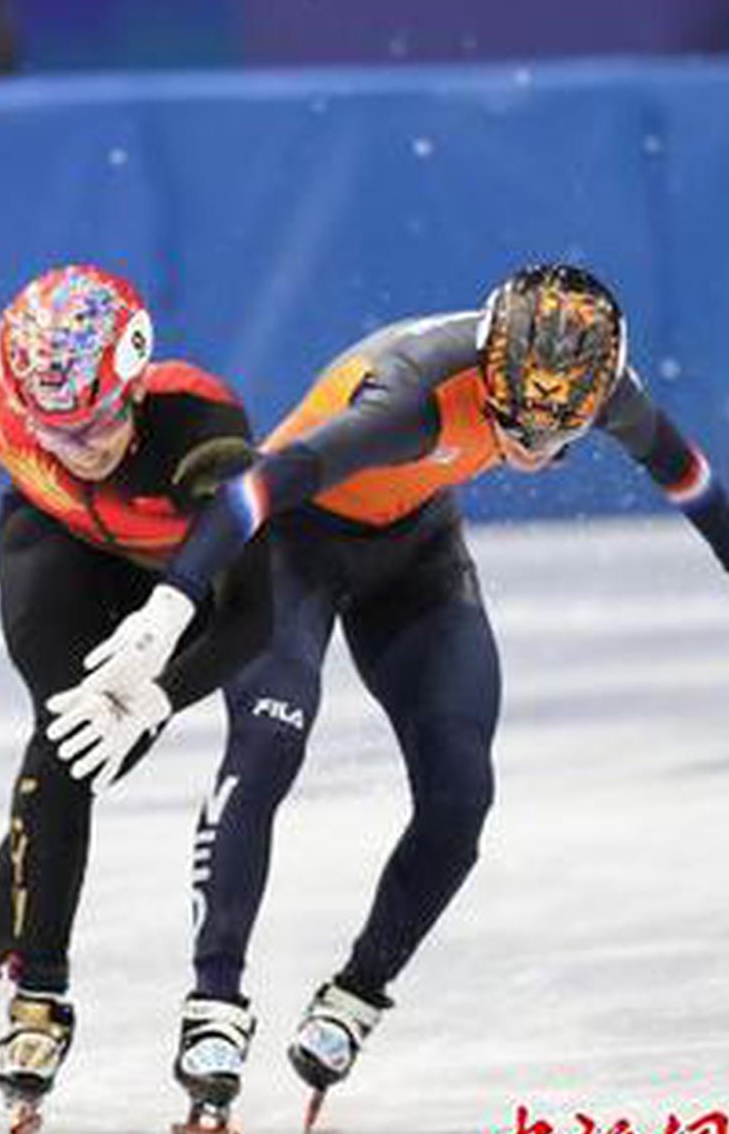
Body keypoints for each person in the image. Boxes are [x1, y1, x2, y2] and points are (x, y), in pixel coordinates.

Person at [56, 264, 729, 1126]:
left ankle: (355, 994)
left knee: (460, 794)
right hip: (293, 548)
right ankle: (212, 997)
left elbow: (693, 481)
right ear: (489, 375)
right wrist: (169, 606)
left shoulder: (601, 388)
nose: (529, 447)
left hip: (413, 545)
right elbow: (254, 486)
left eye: (555, 434)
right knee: (268, 744)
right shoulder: (407, 399)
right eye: (513, 423)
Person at [0, 43, 273, 1124]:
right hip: (53, 549)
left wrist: (160, 687)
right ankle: (41, 992)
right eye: (54, 427)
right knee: (63, 732)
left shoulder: (196, 429)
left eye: (99, 420)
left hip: (180, 573)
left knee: (101, 726)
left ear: (135, 384)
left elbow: (255, 608)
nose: (79, 443)